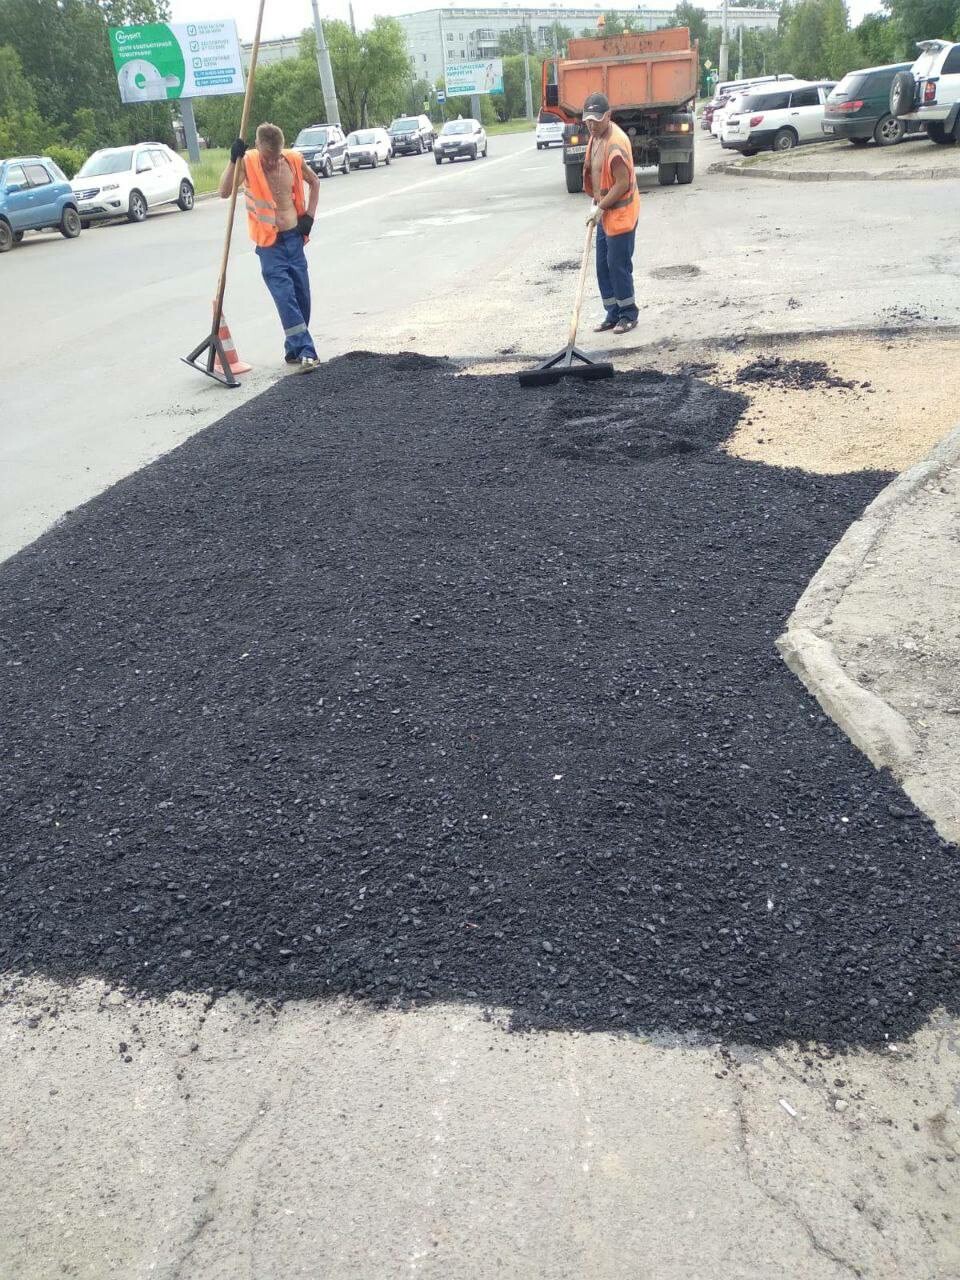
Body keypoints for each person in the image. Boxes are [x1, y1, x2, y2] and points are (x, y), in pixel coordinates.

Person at [219, 122, 321, 374]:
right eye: (268, 156)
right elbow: (224, 191)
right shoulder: (248, 163)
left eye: (276, 156)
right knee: (285, 297)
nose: (273, 161)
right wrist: (232, 161)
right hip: (269, 245)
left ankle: (293, 348)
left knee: (302, 297)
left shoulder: (292, 160)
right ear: (257, 146)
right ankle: (307, 351)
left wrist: (309, 216)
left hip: (294, 240)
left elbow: (314, 182)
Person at [581, 92, 641, 336]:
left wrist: (601, 207)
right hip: (604, 211)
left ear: (608, 116)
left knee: (617, 265)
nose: (592, 125)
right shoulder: (595, 137)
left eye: (596, 120)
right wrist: (596, 201)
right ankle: (613, 313)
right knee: (602, 267)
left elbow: (622, 183)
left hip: (620, 214)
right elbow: (595, 173)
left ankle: (628, 314)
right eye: (588, 120)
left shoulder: (616, 142)